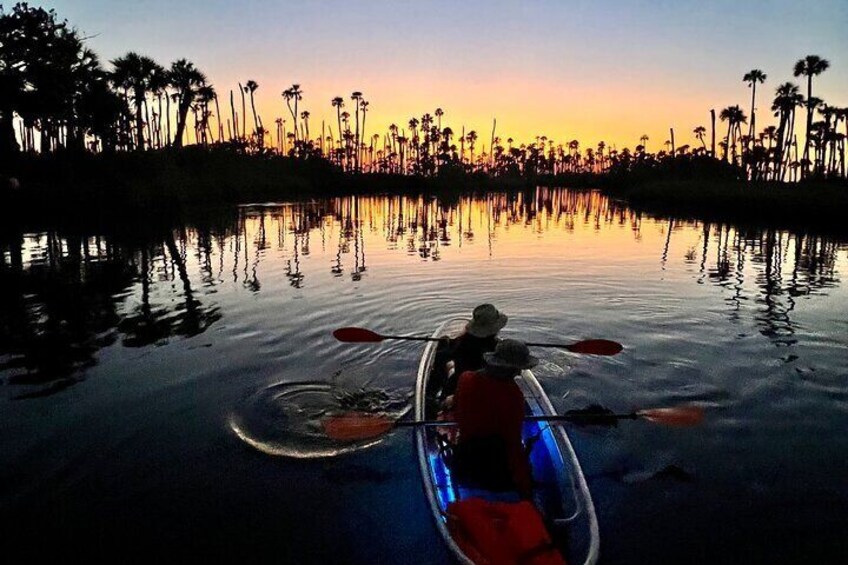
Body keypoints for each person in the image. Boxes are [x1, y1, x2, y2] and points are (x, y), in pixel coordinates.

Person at [450, 338, 538, 499]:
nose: (519, 373)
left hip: (463, 458)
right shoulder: (513, 396)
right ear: (509, 369)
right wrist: (525, 488)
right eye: (517, 369)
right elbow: (513, 445)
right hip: (495, 468)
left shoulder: (465, 378)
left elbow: (457, 413)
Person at [434, 303, 507, 400]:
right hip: (488, 388)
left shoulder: (462, 343)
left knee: (447, 360)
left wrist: (444, 344)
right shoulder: (498, 347)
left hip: (459, 384)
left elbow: (443, 356)